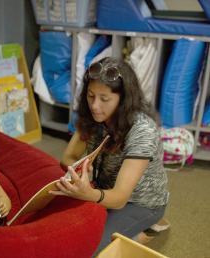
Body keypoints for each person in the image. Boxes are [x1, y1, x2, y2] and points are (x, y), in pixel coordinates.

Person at [50, 57, 169, 254]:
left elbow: (120, 199)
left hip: (141, 203)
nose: (95, 106)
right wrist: (81, 168)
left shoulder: (142, 131)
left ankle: (137, 231)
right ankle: (125, 231)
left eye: (104, 99)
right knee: (60, 227)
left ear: (123, 100)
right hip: (102, 191)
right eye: (90, 96)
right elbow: (68, 157)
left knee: (86, 247)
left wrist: (87, 194)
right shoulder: (92, 116)